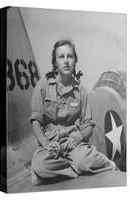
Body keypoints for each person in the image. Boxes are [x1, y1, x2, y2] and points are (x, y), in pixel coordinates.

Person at [30, 39, 117, 185]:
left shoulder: (81, 91)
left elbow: (89, 125)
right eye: (61, 57)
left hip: (73, 144)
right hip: (51, 145)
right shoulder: (42, 85)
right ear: (55, 62)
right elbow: (35, 122)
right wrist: (46, 143)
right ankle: (77, 168)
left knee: (86, 159)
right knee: (41, 165)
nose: (66, 61)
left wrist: (79, 137)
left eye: (69, 56)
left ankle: (107, 164)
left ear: (75, 61)